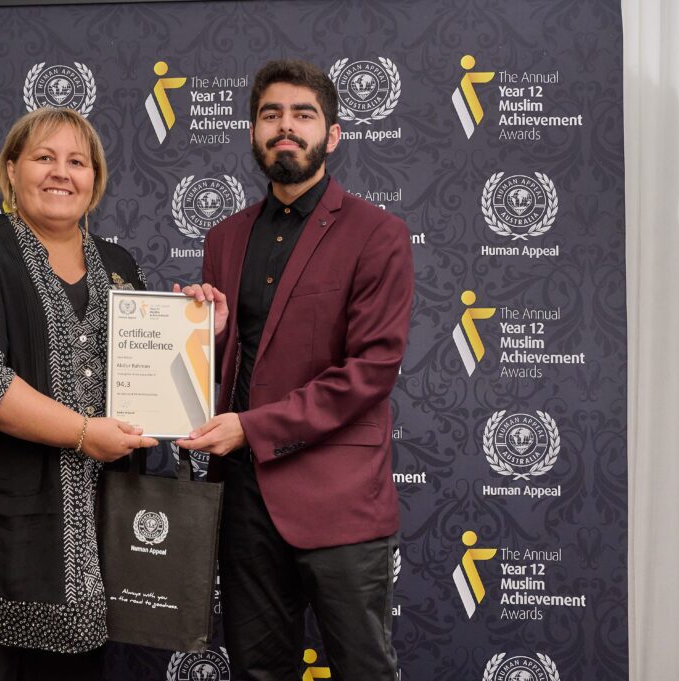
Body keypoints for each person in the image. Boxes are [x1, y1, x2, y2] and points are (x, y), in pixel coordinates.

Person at [176, 60, 414, 681]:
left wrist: (250, 428)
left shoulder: (378, 234)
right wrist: (208, 336)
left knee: (364, 670)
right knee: (257, 671)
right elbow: (231, 366)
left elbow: (370, 372)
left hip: (339, 496)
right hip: (243, 499)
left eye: (303, 115)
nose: (286, 126)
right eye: (271, 115)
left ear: (331, 135)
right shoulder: (224, 238)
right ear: (255, 133)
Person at [0, 107, 157, 681]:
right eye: (44, 158)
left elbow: (149, 377)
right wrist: (83, 433)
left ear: (94, 180)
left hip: (87, 551)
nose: (61, 173)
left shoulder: (120, 267)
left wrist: (199, 335)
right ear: (11, 170)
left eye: (77, 162)